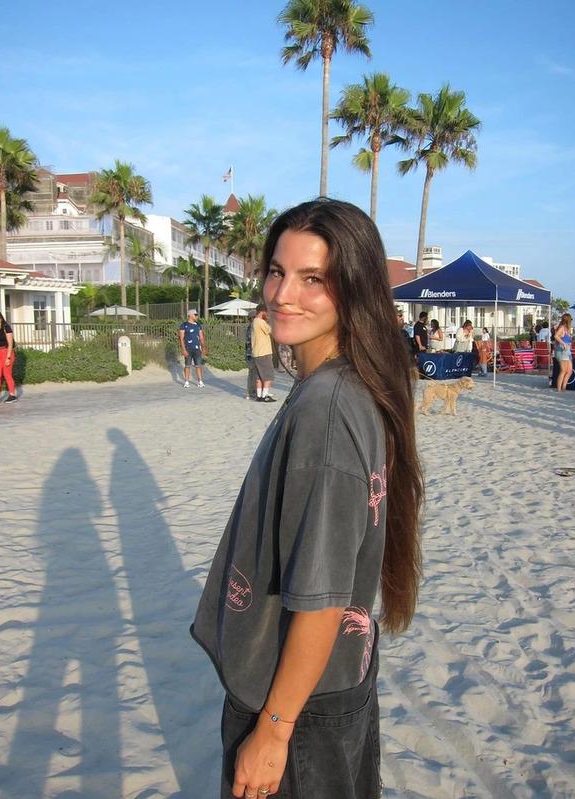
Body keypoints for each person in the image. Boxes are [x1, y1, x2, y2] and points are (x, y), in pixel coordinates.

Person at [190, 198, 423, 799]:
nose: (283, 294)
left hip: (297, 702)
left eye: (313, 278)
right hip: (338, 680)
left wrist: (272, 730)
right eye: (276, 270)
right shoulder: (346, 383)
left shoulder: (328, 410)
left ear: (355, 289)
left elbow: (321, 599)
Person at [0, 311, 17, 403]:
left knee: (7, 374)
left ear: (1, 318)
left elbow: (10, 344)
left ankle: (12, 395)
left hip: (6, 352)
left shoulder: (6, 328)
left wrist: (8, 358)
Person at [251, 304, 276, 402]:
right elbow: (270, 330)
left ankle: (259, 395)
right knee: (268, 375)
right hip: (264, 352)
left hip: (256, 353)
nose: (267, 314)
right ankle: (265, 395)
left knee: (259, 376)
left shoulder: (254, 322)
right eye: (266, 312)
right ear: (262, 311)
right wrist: (270, 321)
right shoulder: (261, 322)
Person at [179, 309, 207, 389]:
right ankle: (187, 382)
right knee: (187, 365)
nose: (197, 316)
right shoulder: (184, 325)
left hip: (197, 348)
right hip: (188, 348)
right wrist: (183, 349)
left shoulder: (198, 325)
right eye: (196, 315)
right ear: (190, 315)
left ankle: (200, 381)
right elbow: (181, 339)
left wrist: (204, 347)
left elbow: (201, 337)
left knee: (198, 365)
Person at [554, 312, 573, 391]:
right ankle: (559, 389)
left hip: (567, 351)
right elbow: (556, 336)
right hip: (561, 350)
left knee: (569, 371)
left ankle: (563, 388)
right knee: (563, 370)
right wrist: (563, 343)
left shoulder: (567, 329)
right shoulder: (562, 327)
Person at [244, 311, 258, 399]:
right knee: (255, 373)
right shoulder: (253, 327)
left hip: (249, 354)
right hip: (253, 353)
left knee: (251, 373)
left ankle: (250, 392)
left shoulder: (249, 327)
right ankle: (252, 392)